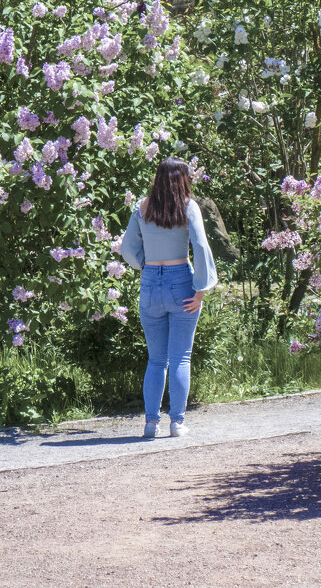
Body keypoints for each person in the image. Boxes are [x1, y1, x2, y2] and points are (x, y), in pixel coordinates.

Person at [120, 157, 217, 438]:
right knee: (180, 357)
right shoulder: (188, 206)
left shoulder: (142, 206)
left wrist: (145, 265)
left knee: (156, 359)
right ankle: (177, 423)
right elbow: (200, 245)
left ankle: (151, 423)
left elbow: (127, 249)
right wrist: (201, 288)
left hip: (150, 283)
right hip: (181, 282)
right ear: (182, 178)